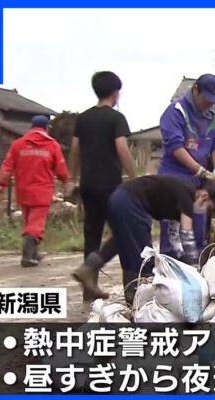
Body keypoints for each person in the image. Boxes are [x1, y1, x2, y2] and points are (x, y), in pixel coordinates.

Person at [71, 175, 215, 304]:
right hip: (131, 203)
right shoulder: (186, 195)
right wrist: (195, 270)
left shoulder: (181, 195)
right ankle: (136, 297)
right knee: (143, 255)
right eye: (210, 208)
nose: (205, 212)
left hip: (119, 197)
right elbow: (186, 234)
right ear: (204, 197)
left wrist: (182, 259)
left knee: (121, 241)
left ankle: (88, 268)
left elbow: (174, 235)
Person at [67, 71, 137, 296]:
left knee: (92, 234)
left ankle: (89, 287)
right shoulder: (116, 118)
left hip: (87, 185)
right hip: (110, 186)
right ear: (116, 93)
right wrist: (134, 178)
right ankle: (113, 279)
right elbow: (122, 149)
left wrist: (71, 178)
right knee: (124, 231)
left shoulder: (84, 118)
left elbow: (75, 150)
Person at [157, 74, 215, 261]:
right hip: (173, 178)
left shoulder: (214, 113)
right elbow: (175, 147)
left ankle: (196, 274)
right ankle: (171, 275)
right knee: (174, 235)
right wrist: (199, 169)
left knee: (197, 232)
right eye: (206, 99)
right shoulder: (176, 111)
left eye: (213, 101)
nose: (209, 105)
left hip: (197, 183)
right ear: (195, 90)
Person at [0, 116, 68, 267]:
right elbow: (61, 167)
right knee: (36, 224)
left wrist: (2, 183)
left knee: (28, 221)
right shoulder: (52, 145)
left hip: (23, 190)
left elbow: (7, 165)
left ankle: (34, 253)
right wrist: (65, 181)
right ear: (47, 128)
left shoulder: (18, 144)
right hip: (42, 191)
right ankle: (27, 256)